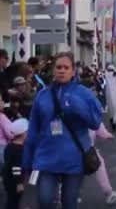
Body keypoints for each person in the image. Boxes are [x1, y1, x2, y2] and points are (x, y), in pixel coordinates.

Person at [22, 51, 103, 209]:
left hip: (74, 159)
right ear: (53, 70)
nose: (62, 70)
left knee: (69, 202)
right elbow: (33, 130)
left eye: (66, 67)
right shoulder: (42, 95)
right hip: (46, 158)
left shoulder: (84, 94)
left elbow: (95, 122)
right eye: (59, 67)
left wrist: (77, 105)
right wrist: (26, 162)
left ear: (73, 71)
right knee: (44, 200)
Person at [89, 123, 116, 205]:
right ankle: (109, 193)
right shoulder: (87, 110)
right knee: (99, 165)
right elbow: (95, 121)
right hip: (84, 146)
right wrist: (107, 135)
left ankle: (61, 194)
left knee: (70, 173)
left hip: (62, 145)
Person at [3, 118, 28, 209]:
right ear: (24, 134)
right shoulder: (19, 150)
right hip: (14, 181)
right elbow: (16, 168)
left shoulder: (9, 146)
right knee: (14, 202)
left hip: (7, 178)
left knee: (10, 200)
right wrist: (19, 183)